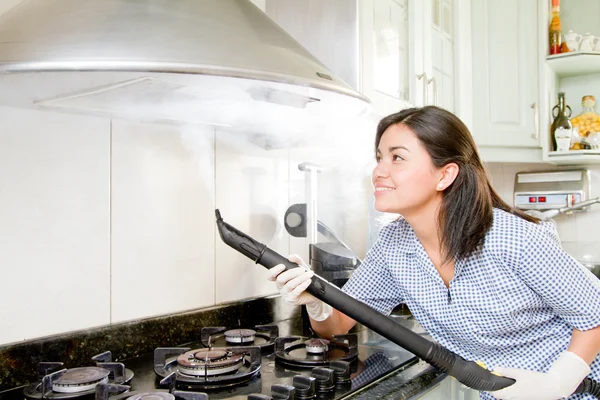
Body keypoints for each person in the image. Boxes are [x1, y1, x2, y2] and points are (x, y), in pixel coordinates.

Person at [267, 106, 600, 400]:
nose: (379, 171)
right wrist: (316, 299)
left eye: (397, 157)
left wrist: (558, 383)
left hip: (580, 387)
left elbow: (595, 314)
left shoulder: (511, 238)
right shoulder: (393, 246)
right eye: (379, 158)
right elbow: (338, 323)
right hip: (503, 394)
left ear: (445, 174)